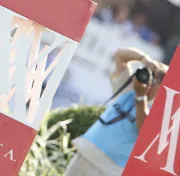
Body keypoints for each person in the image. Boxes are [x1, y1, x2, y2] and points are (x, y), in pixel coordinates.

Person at [64, 47, 168, 176]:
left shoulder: (162, 112)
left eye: (155, 78)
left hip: (109, 169)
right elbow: (119, 56)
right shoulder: (130, 88)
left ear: (163, 88)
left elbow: (145, 130)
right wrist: (144, 59)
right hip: (86, 152)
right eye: (149, 75)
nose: (148, 80)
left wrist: (141, 97)